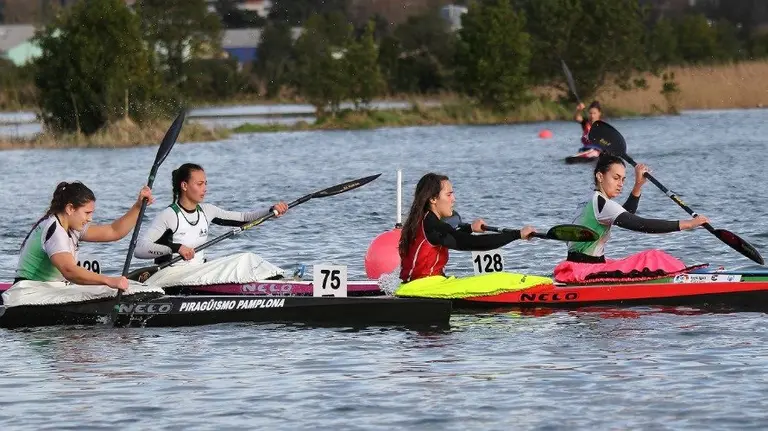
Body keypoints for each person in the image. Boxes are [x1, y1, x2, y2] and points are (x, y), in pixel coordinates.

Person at [554, 154, 709, 283]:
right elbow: (640, 224)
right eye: (616, 178)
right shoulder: (602, 203)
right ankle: (684, 279)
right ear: (600, 176)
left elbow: (626, 215)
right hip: (587, 271)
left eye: (623, 179)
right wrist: (689, 224)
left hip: (576, 266)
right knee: (653, 256)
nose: (620, 184)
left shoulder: (589, 199)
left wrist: (637, 186)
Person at [134, 163, 289, 281]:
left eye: (205, 183)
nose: (205, 188)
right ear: (184, 186)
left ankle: (282, 280)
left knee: (246, 258)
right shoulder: (169, 215)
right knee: (244, 259)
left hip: (198, 273)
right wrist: (176, 248)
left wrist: (271, 211)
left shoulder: (207, 211)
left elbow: (243, 218)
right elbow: (140, 249)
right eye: (199, 184)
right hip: (171, 276)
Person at [14, 181, 155, 291]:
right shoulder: (55, 230)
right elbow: (70, 271)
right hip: (30, 293)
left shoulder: (71, 226)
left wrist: (138, 206)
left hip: (48, 290)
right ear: (70, 209)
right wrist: (109, 280)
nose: (90, 219)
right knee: (108, 288)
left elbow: (114, 231)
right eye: (87, 213)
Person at [398, 173, 536, 283]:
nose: (454, 199)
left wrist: (470, 228)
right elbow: (471, 243)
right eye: (449, 194)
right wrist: (517, 234)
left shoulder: (422, 219)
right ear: (433, 199)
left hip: (421, 284)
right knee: (497, 281)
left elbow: (450, 237)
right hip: (424, 288)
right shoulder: (432, 225)